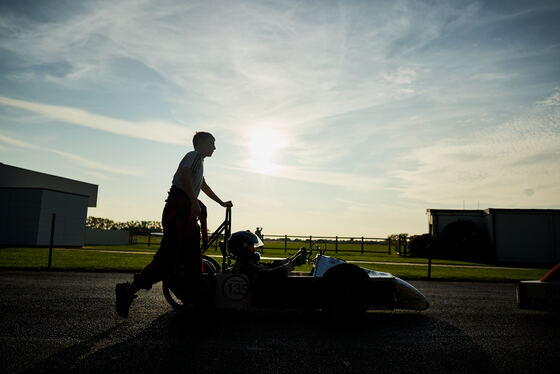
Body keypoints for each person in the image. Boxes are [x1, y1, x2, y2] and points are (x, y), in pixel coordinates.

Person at [116, 131, 232, 318]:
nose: (215, 147)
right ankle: (128, 291)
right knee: (168, 258)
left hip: (186, 212)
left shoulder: (199, 162)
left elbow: (202, 185)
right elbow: (185, 176)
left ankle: (192, 301)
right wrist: (194, 201)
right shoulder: (193, 156)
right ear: (200, 143)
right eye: (212, 143)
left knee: (194, 258)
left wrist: (220, 202)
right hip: (179, 212)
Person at [228, 230, 307, 278]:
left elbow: (268, 266)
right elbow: (269, 275)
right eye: (251, 246)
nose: (254, 249)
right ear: (242, 247)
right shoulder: (245, 266)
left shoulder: (245, 263)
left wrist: (291, 259)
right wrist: (293, 264)